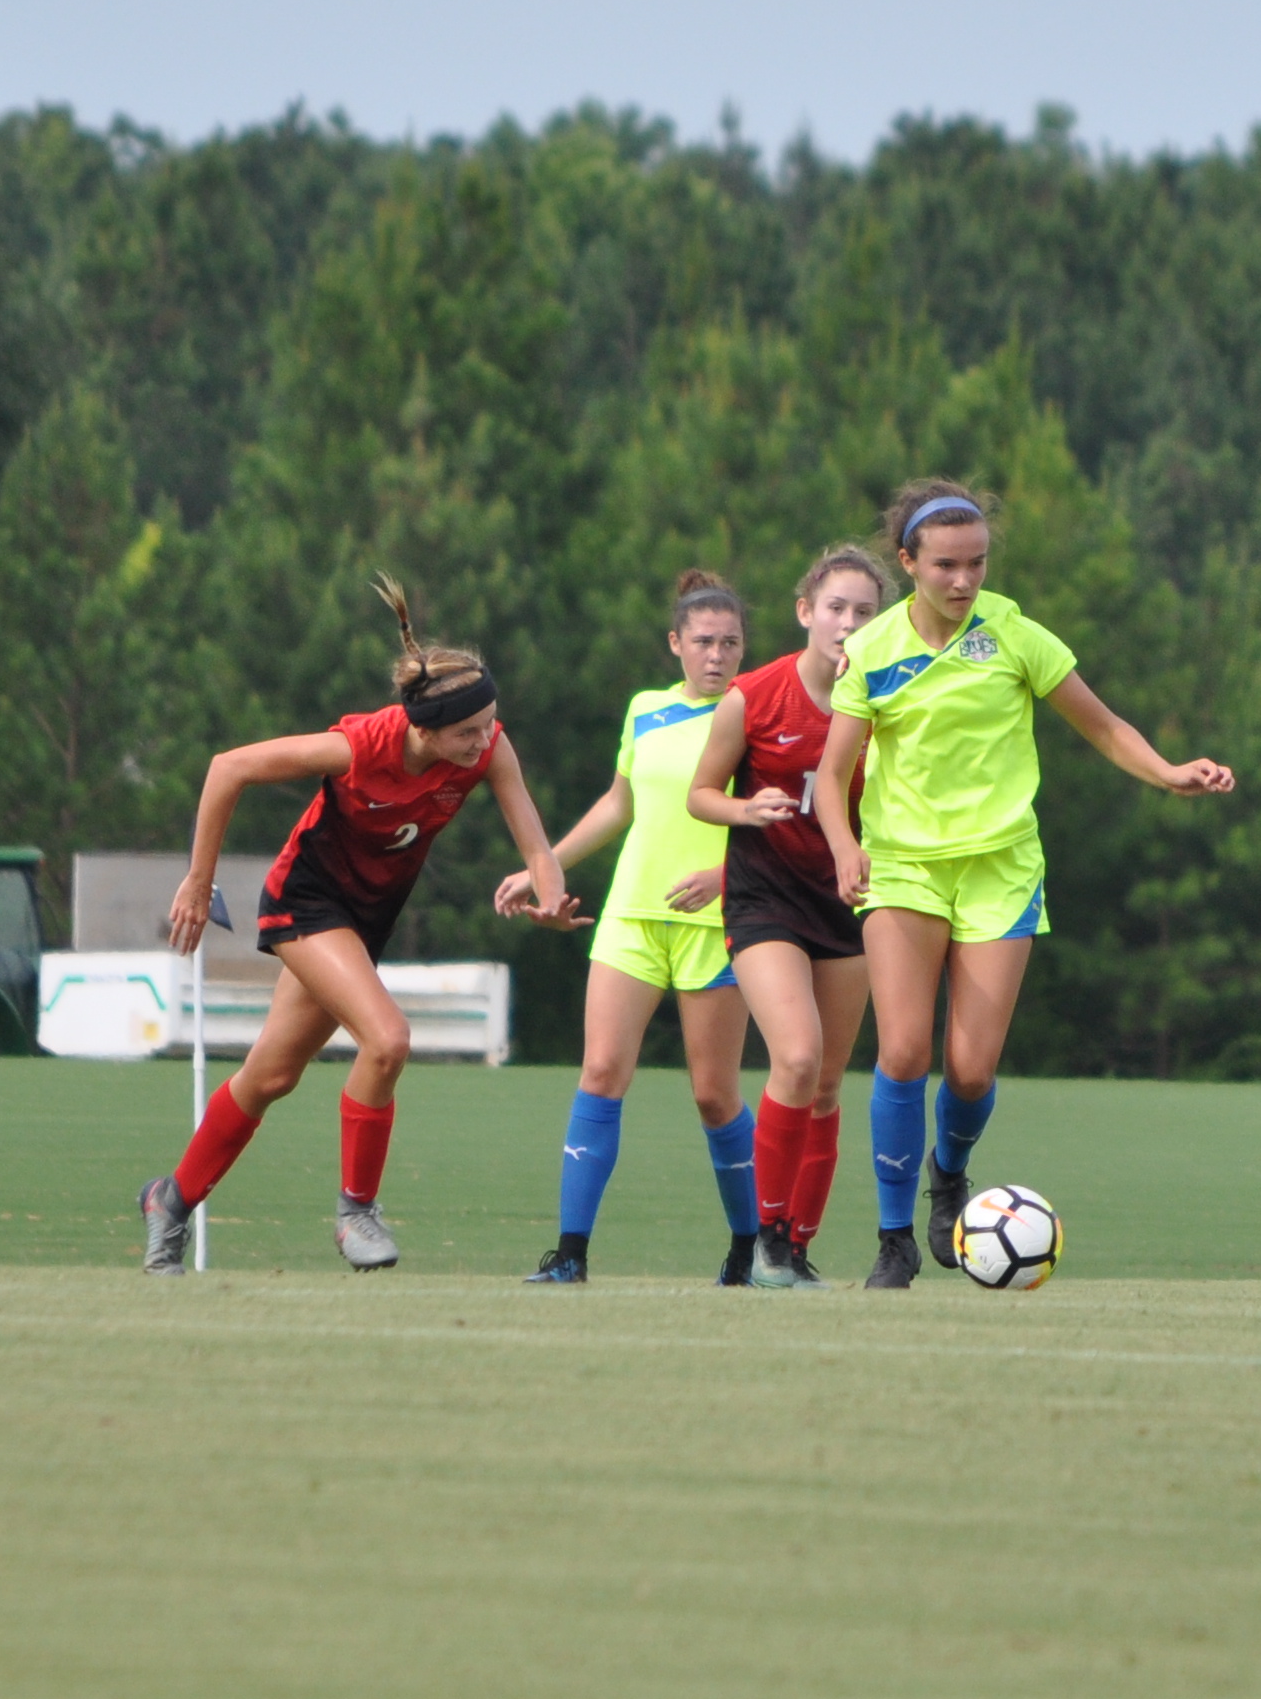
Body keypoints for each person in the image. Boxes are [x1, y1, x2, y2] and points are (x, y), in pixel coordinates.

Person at [811, 481, 1234, 1288]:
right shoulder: (872, 651)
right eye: (944, 565)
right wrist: (843, 847)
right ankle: (894, 1238)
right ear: (907, 564)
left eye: (975, 563)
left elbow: (1103, 725)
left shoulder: (1011, 633)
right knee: (902, 1051)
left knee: (969, 1071)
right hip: (903, 868)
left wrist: (1168, 773)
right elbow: (833, 777)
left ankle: (951, 1179)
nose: (964, 581)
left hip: (1002, 868)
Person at [146, 579, 578, 1275]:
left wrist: (552, 899)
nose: (483, 741)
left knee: (271, 1075)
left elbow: (535, 846)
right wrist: (199, 881)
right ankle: (356, 1211)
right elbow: (228, 769)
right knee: (389, 1038)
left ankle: (169, 1200)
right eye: (467, 732)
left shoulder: (488, 749)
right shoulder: (357, 746)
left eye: (488, 724)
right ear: (423, 729)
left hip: (363, 920)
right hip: (307, 904)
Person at [513, 571, 762, 1286]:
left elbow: (781, 819)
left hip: (716, 923)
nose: (717, 656)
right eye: (704, 642)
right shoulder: (646, 710)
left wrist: (727, 879)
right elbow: (619, 803)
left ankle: (749, 1251)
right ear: (675, 644)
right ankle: (569, 1256)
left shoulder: (756, 713)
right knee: (599, 1072)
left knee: (715, 1094)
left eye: (731, 643)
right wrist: (544, 865)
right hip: (631, 916)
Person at [684, 543, 891, 1288]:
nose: (848, 623)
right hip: (765, 898)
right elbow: (700, 793)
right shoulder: (756, 694)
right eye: (835, 607)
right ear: (806, 612)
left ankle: (797, 1249)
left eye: (865, 612)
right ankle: (766, 1238)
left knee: (829, 1084)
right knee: (796, 1057)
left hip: (848, 905)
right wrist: (747, 809)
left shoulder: (890, 700)